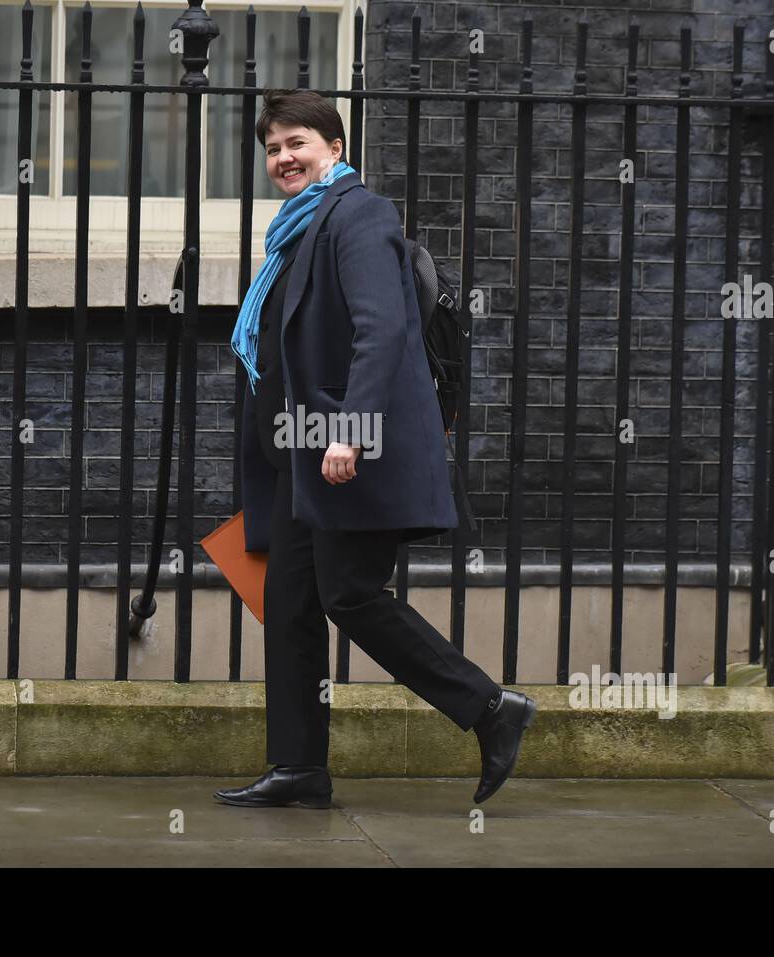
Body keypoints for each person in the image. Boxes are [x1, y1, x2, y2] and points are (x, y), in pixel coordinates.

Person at [213, 89, 536, 810]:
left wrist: (349, 428)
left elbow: (380, 329)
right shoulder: (297, 228)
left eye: (296, 142)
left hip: (345, 447)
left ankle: (489, 707)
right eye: (272, 149)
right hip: (301, 451)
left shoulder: (358, 213)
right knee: (291, 600)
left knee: (350, 593)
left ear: (333, 145)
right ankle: (297, 766)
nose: (282, 158)